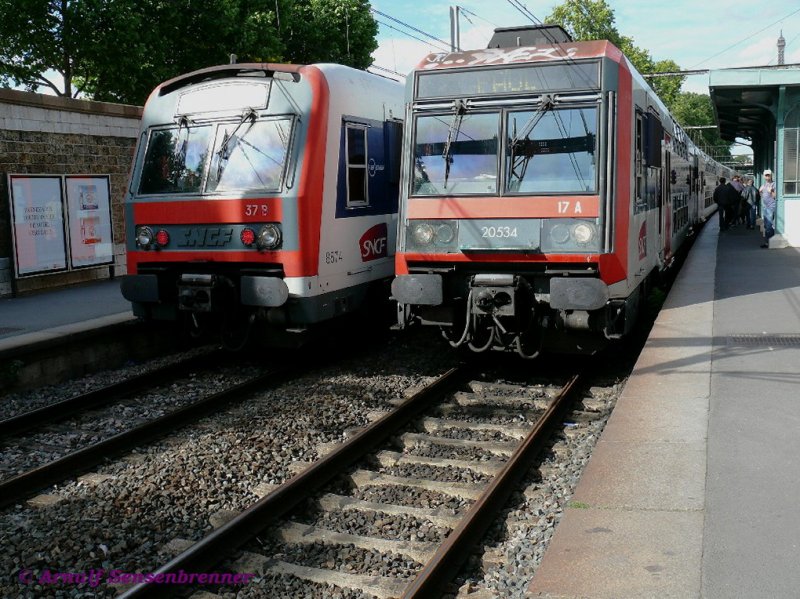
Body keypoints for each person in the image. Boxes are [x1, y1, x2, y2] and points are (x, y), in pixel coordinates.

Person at [759, 169, 776, 248]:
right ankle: (769, 241)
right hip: (765, 207)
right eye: (766, 175)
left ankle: (769, 242)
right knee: (766, 225)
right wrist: (760, 192)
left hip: (771, 207)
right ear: (763, 176)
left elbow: (775, 196)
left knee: (769, 225)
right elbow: (763, 197)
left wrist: (771, 191)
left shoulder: (774, 184)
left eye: (768, 175)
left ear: (771, 176)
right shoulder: (764, 185)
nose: (767, 177)